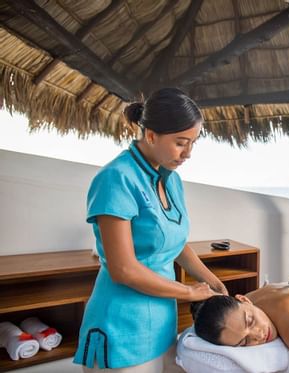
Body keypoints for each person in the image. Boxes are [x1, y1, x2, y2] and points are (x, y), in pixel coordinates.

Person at [74, 88, 228, 372]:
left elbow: (175, 243)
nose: (188, 153)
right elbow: (124, 270)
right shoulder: (116, 178)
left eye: (193, 143)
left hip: (161, 319)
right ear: (151, 135)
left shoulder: (172, 180)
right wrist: (188, 292)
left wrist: (213, 283)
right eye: (181, 143)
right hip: (122, 322)